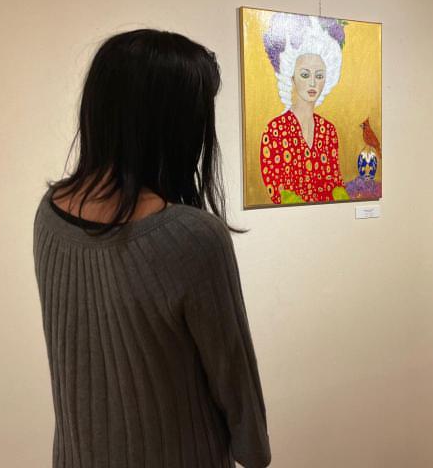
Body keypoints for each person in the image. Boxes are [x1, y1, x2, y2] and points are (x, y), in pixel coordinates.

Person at [34, 30, 271, 467]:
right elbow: (232, 376)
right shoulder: (193, 237)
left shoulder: (49, 214)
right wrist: (254, 450)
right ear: (176, 125)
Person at [260, 13, 349, 204]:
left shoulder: (329, 131)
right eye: (305, 75)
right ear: (291, 77)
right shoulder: (275, 131)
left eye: (319, 76)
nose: (313, 83)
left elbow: (336, 184)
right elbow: (279, 192)